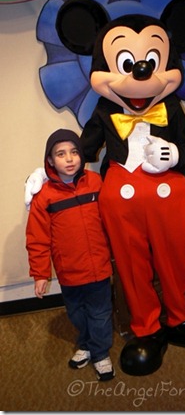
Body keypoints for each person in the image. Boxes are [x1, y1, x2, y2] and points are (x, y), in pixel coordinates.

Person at [25, 129, 115, 381]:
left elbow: (113, 219)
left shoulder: (95, 183)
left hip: (98, 267)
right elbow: (37, 238)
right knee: (76, 313)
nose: (69, 158)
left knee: (100, 312)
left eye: (74, 152)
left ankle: (99, 353)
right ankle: (86, 343)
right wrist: (40, 274)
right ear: (50, 161)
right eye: (61, 154)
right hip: (69, 272)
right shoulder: (44, 197)